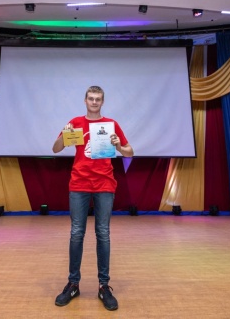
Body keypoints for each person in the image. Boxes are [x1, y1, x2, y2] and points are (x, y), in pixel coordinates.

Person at [52, 85, 134, 311]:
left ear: (102, 102)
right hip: (79, 184)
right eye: (91, 98)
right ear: (85, 100)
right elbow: (56, 149)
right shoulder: (75, 123)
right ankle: (73, 284)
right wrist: (65, 134)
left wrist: (118, 145)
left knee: (103, 233)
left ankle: (103, 286)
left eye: (98, 99)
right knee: (76, 233)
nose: (94, 102)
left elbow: (130, 151)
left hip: (104, 184)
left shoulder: (111, 125)